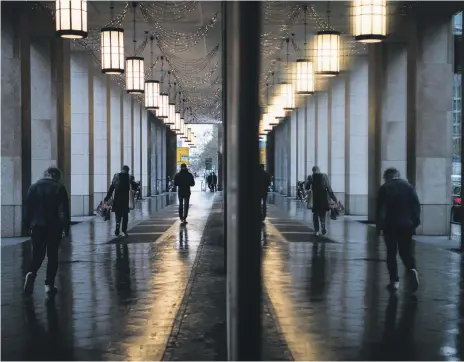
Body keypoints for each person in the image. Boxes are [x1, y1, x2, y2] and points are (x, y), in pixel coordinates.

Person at [23, 167, 70, 296]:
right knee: (52, 255)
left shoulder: (33, 187)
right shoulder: (59, 188)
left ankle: (31, 273)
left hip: (37, 226)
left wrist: (27, 225)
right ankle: (49, 285)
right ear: (55, 176)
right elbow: (63, 211)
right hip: (54, 227)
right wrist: (66, 228)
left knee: (38, 254)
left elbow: (27, 209)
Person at [376, 167, 421, 292]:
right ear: (398, 175)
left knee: (391, 253)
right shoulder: (409, 187)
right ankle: (411, 269)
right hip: (407, 225)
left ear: (387, 177)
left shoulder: (384, 188)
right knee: (405, 251)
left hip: (390, 226)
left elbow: (380, 210)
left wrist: (378, 227)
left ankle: (394, 281)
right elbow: (416, 206)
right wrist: (415, 222)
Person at [104, 165, 138, 237]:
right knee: (125, 215)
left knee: (118, 214)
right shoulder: (129, 177)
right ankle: (124, 230)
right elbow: (135, 187)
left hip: (117, 199)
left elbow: (112, 188)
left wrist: (107, 198)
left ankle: (117, 225)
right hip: (125, 200)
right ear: (128, 170)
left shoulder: (116, 176)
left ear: (122, 169)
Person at [305, 166, 337, 236]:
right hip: (323, 198)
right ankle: (323, 224)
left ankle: (316, 230)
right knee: (322, 213)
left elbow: (306, 188)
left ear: (313, 171)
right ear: (319, 170)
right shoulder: (324, 176)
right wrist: (334, 198)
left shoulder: (311, 177)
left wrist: (308, 181)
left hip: (315, 198)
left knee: (315, 215)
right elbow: (329, 188)